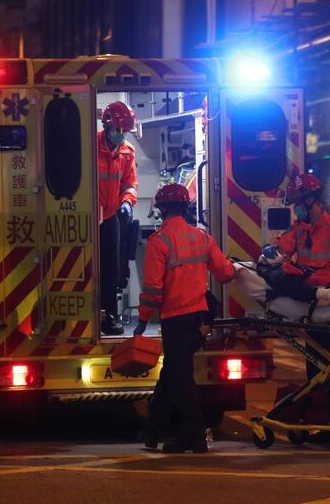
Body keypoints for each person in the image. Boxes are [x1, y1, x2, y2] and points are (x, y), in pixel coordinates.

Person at [134, 183, 235, 453]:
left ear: (162, 209)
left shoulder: (160, 241)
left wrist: (143, 321)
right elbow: (225, 273)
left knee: (180, 377)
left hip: (175, 319)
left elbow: (153, 289)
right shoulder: (202, 237)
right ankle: (154, 428)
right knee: (173, 372)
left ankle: (193, 434)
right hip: (200, 318)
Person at [275, 173, 330, 379]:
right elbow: (282, 250)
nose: (295, 209)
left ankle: (323, 400)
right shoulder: (300, 229)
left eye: (297, 204)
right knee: (313, 362)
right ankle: (317, 400)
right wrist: (271, 256)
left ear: (310, 200)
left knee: (324, 362)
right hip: (309, 298)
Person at [98, 101, 139, 336]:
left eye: (124, 131)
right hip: (89, 216)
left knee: (112, 267)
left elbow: (130, 184)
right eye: (118, 130)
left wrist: (127, 202)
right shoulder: (89, 145)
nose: (121, 135)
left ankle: (110, 314)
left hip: (111, 214)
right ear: (107, 126)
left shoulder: (127, 151)